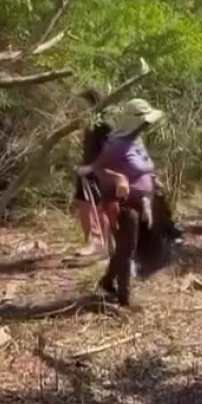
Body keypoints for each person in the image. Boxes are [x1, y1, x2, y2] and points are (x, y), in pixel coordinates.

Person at [82, 98, 164, 307]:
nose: (147, 125)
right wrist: (118, 178)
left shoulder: (137, 141)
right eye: (144, 121)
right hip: (122, 204)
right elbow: (97, 169)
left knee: (126, 248)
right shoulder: (116, 145)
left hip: (141, 201)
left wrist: (153, 182)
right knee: (127, 250)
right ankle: (125, 298)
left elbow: (144, 166)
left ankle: (108, 282)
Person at [72, 88, 113, 256]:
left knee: (97, 207)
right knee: (84, 205)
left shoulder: (103, 126)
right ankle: (92, 241)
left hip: (97, 171)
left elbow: (108, 152)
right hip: (85, 170)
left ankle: (101, 243)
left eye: (85, 103)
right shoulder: (90, 124)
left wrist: (92, 168)